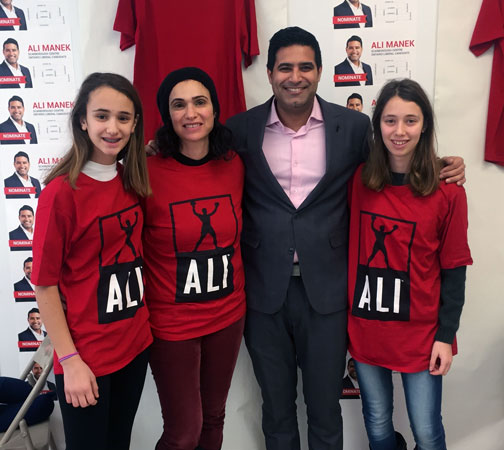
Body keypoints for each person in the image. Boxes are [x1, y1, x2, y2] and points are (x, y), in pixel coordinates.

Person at [226, 26, 465, 450]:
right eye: (285, 67)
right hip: (264, 294)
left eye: (305, 67)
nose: (294, 76)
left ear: (320, 71)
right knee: (276, 408)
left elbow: (399, 157)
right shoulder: (239, 130)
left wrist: (445, 163)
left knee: (325, 407)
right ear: (269, 72)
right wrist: (154, 150)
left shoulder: (353, 128)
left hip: (330, 294)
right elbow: (198, 161)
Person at [347, 79, 472, 450]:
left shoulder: (449, 192)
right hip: (367, 330)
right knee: (378, 423)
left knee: (428, 432)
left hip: (421, 335)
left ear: (425, 126)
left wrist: (446, 337)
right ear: (377, 126)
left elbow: (455, 269)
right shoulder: (359, 181)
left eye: (410, 121)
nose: (399, 131)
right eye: (389, 120)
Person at [31, 72, 152, 450]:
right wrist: (71, 361)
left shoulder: (133, 180)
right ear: (83, 120)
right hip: (86, 357)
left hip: (134, 346)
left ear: (134, 125)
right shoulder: (60, 194)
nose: (112, 127)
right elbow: (45, 285)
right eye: (101, 116)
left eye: (123, 117)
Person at [143, 67, 245, 450]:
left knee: (213, 419)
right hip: (171, 324)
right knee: (184, 431)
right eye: (179, 105)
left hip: (227, 315)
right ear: (167, 115)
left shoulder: (234, 163)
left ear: (215, 109)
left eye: (200, 102)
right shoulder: (146, 170)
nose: (191, 113)